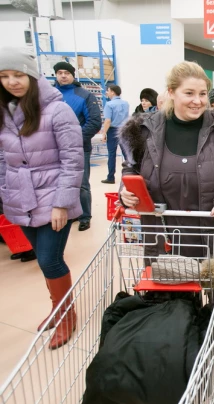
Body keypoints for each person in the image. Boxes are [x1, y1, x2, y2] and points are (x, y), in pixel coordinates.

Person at [119, 61, 214, 289]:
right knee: (168, 302)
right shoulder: (144, 130)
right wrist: (127, 191)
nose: (198, 100)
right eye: (189, 93)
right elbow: (131, 169)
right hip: (163, 236)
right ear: (171, 92)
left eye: (203, 93)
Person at [0, 47, 84, 349]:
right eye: (5, 76)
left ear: (32, 76)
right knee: (42, 260)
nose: (12, 81)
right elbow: (2, 158)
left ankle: (66, 316)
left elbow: (72, 159)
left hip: (52, 199)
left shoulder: (57, 110)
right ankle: (57, 308)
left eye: (18, 74)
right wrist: (5, 191)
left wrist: (62, 202)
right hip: (19, 198)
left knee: (50, 259)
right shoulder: (4, 111)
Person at [53, 61, 102, 232]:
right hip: (52, 149)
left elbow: (95, 122)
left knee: (81, 184)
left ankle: (84, 216)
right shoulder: (49, 95)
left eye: (66, 72)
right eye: (59, 72)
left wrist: (72, 140)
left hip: (79, 148)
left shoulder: (84, 95)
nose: (63, 75)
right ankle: (70, 213)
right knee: (56, 183)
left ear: (73, 75)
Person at [101, 85, 129, 184]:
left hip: (112, 130)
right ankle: (130, 175)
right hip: (124, 130)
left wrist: (104, 133)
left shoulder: (109, 104)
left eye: (108, 90)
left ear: (112, 92)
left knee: (111, 155)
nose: (107, 93)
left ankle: (110, 177)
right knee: (127, 154)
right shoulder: (126, 104)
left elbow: (108, 121)